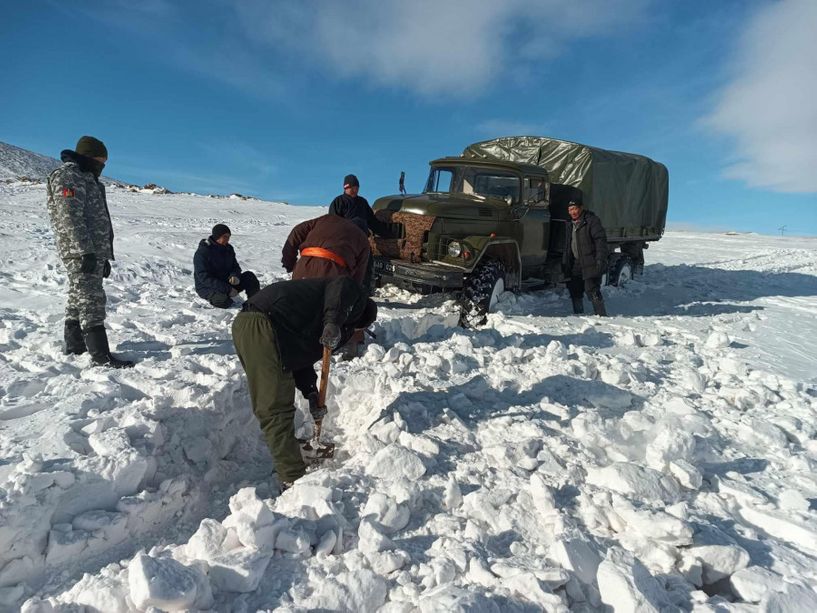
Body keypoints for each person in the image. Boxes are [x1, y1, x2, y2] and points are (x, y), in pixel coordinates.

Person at [231, 276, 377, 489]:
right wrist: (333, 323)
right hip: (262, 324)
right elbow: (341, 283)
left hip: (263, 327)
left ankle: (293, 452)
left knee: (275, 401)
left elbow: (299, 357)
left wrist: (311, 393)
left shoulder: (316, 313)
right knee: (274, 407)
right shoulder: (353, 300)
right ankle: (293, 479)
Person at [46, 135, 134, 368]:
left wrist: (102, 256)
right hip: (80, 251)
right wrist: (85, 251)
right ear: (89, 156)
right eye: (100, 160)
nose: (103, 166)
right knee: (91, 299)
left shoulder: (88, 179)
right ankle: (101, 356)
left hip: (92, 251)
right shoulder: (69, 176)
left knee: (78, 296)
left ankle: (75, 346)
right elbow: (70, 217)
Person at [281, 214, 370, 286]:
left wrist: (289, 263)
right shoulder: (363, 240)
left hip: (303, 267)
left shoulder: (327, 219)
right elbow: (359, 274)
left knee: (297, 302)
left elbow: (297, 231)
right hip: (332, 275)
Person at [193, 224, 260, 308]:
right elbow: (204, 278)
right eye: (225, 237)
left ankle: (255, 303)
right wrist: (227, 289)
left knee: (249, 277)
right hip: (208, 287)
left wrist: (235, 276)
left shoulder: (228, 249)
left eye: (229, 237)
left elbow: (235, 266)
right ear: (217, 236)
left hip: (226, 283)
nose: (227, 240)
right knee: (224, 301)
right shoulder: (203, 252)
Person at [563, 196, 608, 316]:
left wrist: (600, 259)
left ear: (581, 208)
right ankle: (578, 315)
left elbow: (600, 241)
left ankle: (602, 315)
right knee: (575, 289)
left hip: (590, 261)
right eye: (570, 209)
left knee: (592, 290)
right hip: (576, 262)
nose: (573, 212)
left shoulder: (591, 221)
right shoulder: (569, 224)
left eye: (575, 208)